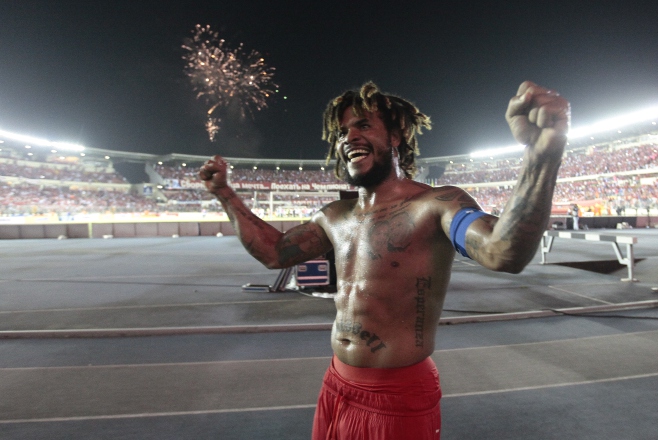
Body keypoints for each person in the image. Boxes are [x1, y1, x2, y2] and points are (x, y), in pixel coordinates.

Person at [199, 81, 569, 439]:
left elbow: (502, 251)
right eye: (342, 131)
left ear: (395, 136)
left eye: (363, 125)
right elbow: (274, 252)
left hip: (397, 396)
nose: (349, 137)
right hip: (336, 384)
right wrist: (224, 193)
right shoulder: (334, 216)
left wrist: (540, 156)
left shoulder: (436, 205)